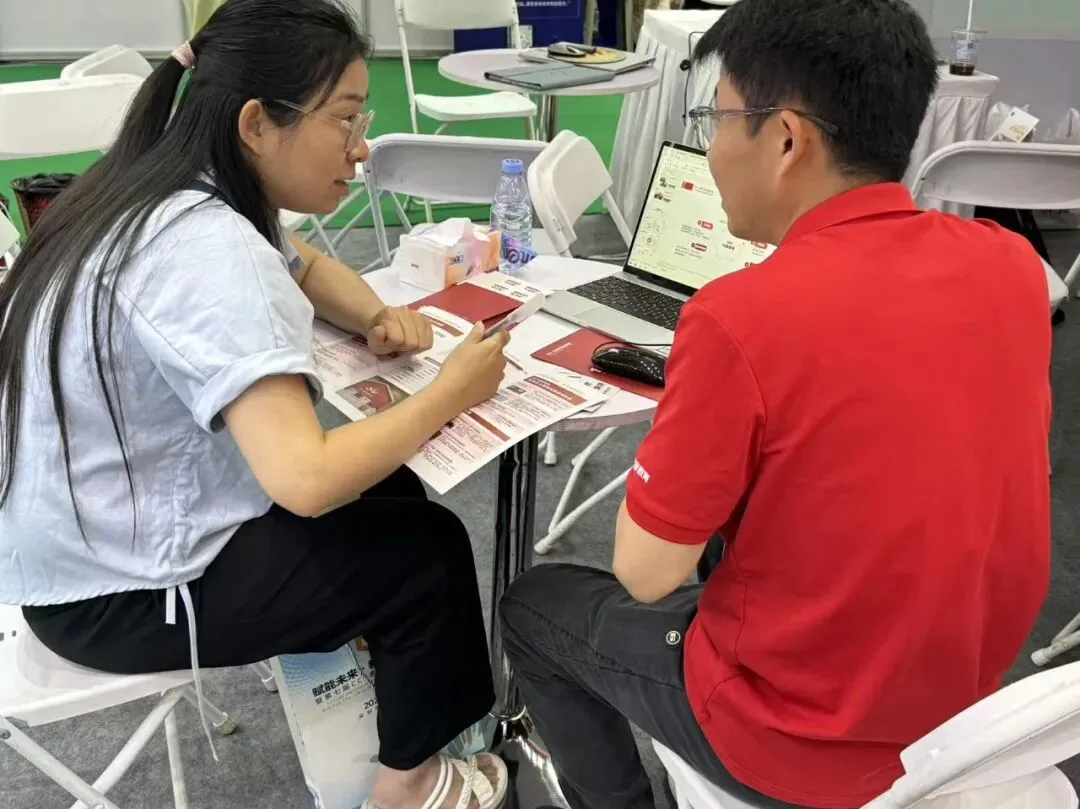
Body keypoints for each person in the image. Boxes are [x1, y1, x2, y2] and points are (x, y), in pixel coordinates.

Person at [499, 1, 1052, 808]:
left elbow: (645, 573)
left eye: (717, 120)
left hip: (797, 741)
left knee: (534, 607)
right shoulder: (1010, 266)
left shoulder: (739, 315)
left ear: (787, 139)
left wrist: (695, 420)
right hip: (965, 715)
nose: (709, 149)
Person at [0, 2, 509, 808]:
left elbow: (302, 264)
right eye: (345, 119)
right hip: (116, 593)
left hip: (79, 540)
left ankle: (384, 698)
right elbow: (305, 479)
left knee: (395, 491)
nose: (361, 146)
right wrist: (450, 393)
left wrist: (375, 313)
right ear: (257, 123)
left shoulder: (165, 185)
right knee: (429, 554)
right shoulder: (210, 249)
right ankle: (407, 788)